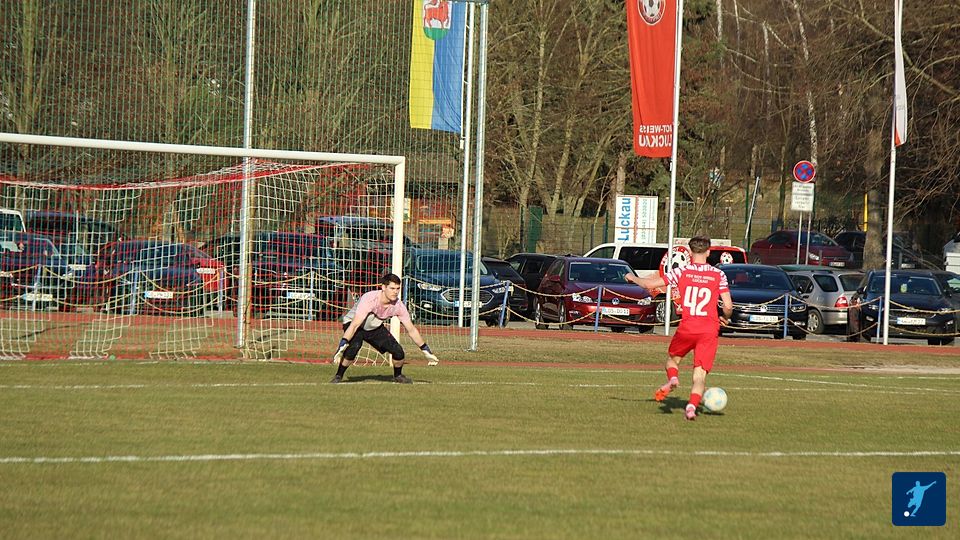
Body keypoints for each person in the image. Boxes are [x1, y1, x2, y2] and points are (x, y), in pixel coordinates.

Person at [625, 236, 733, 421]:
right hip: (709, 329)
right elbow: (728, 306)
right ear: (708, 252)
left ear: (690, 252)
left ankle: (673, 378)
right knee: (699, 376)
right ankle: (691, 407)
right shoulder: (718, 274)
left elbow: (649, 285)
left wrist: (631, 277)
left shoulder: (681, 271)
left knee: (672, 361)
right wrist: (725, 317)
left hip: (687, 326)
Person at [331, 272, 438, 384]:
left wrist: (426, 350)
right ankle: (338, 375)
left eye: (398, 288)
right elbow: (354, 325)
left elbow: (411, 330)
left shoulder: (398, 306)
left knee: (398, 352)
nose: (395, 292)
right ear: (383, 287)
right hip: (354, 325)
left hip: (374, 327)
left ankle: (398, 376)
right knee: (354, 346)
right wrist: (343, 343)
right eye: (392, 288)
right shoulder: (370, 299)